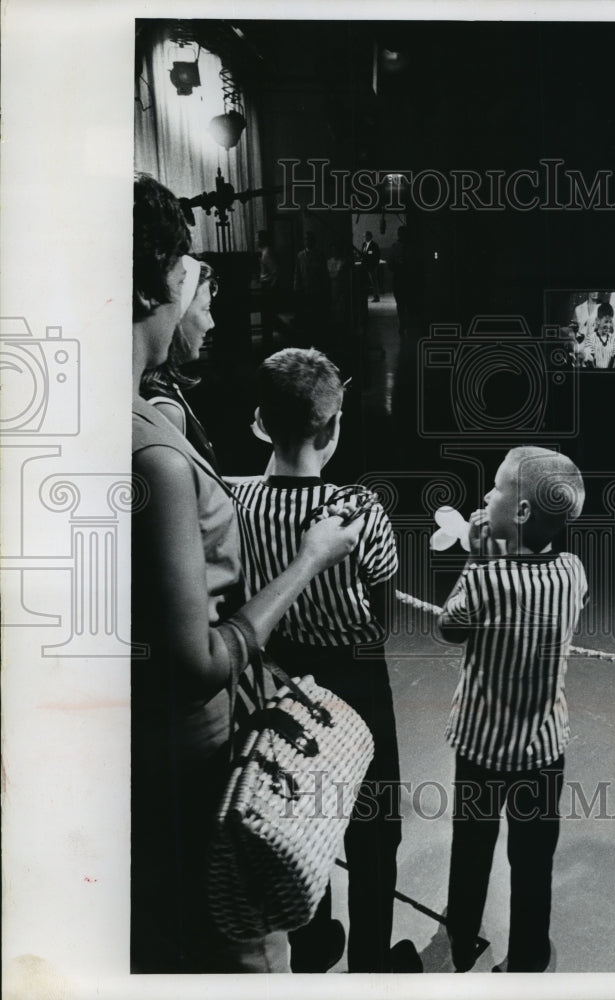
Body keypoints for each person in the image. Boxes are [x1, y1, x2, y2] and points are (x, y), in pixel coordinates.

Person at [131, 174, 364, 974]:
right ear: (151, 284)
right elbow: (196, 662)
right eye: (191, 273)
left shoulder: (125, 416)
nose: (204, 298)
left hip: (139, 761)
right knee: (243, 954)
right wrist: (309, 558)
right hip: (195, 765)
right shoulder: (154, 454)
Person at [232, 347, 421, 974]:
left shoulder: (237, 501)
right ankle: (371, 962)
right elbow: (382, 617)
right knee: (373, 827)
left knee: (300, 811)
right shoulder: (359, 511)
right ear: (332, 428)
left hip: (280, 673)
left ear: (261, 422)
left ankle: (313, 944)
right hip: (356, 677)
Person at [438, 447, 588, 973]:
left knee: (471, 845)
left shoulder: (486, 577)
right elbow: (532, 579)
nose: (486, 496)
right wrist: (501, 550)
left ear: (521, 511)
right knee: (533, 860)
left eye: (497, 488)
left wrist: (477, 556)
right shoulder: (573, 571)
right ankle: (528, 956)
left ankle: (461, 933)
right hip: (542, 750)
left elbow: (450, 625)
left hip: (482, 745)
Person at [140, 255, 220, 471]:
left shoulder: (165, 387)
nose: (211, 323)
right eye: (205, 309)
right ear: (177, 315)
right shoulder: (165, 409)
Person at [360, 229, 381, 301]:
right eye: (364, 236)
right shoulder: (364, 244)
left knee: (374, 281)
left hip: (372, 266)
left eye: (365, 236)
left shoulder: (374, 245)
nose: (364, 237)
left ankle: (376, 296)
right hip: (365, 266)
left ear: (369, 236)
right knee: (366, 281)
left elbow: (377, 256)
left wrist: (375, 265)